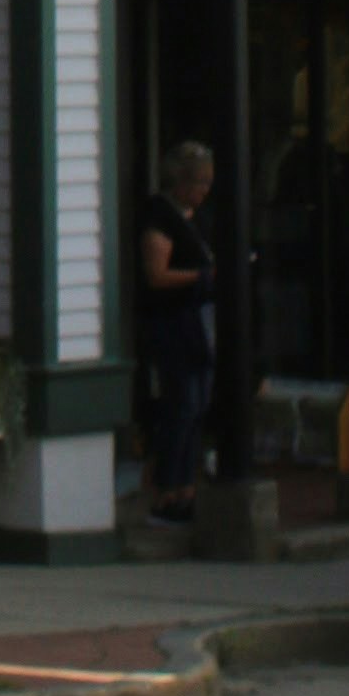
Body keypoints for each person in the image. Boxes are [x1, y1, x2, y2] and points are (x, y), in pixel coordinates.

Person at [137, 142, 220, 526]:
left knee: (198, 406)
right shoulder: (161, 217)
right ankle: (166, 490)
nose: (205, 190)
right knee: (180, 406)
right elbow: (156, 275)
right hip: (174, 325)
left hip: (199, 325)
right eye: (199, 182)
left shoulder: (196, 219)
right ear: (181, 181)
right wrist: (203, 278)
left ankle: (187, 487)